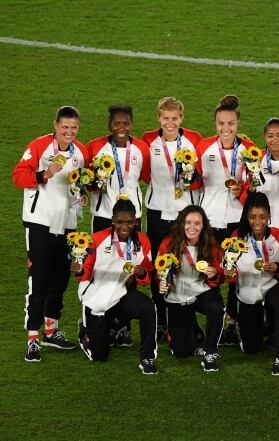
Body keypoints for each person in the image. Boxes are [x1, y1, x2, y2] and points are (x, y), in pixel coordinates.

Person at [13, 105, 90, 361]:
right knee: (39, 281)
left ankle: (51, 329)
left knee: (59, 279)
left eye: (74, 128)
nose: (69, 132)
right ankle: (33, 337)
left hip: (68, 226)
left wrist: (83, 196)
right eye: (65, 127)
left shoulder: (81, 153)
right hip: (39, 223)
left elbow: (81, 183)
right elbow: (18, 176)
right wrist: (43, 174)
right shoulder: (38, 147)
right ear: (55, 125)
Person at [196, 95, 256, 346]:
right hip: (209, 219)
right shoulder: (202, 147)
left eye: (230, 124)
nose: (226, 129)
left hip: (236, 220)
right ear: (215, 124)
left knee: (235, 271)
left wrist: (242, 190)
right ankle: (210, 320)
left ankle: (232, 322)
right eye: (221, 124)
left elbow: (255, 187)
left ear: (238, 123)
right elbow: (194, 181)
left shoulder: (250, 150)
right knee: (208, 269)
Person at [72, 200, 158, 374]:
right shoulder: (97, 239)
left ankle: (148, 356)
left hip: (121, 293)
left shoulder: (142, 240)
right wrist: (80, 270)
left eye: (129, 222)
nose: (124, 226)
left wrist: (141, 274)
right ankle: (85, 332)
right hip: (97, 297)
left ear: (135, 221)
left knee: (148, 308)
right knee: (99, 356)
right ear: (112, 220)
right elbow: (85, 272)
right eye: (119, 222)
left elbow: (146, 275)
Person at [142, 97, 203, 340]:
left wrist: (191, 179)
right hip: (157, 212)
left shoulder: (194, 140)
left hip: (186, 214)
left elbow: (201, 177)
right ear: (159, 118)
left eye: (174, 118)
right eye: (165, 118)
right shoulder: (148, 140)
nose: (170, 122)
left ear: (181, 118)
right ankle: (160, 320)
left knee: (187, 264)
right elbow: (145, 173)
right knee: (161, 264)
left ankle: (190, 320)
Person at [224, 193, 279, 375]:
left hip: (272, 288)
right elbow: (229, 274)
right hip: (247, 294)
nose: (258, 222)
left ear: (269, 215)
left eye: (262, 217)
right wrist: (229, 274)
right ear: (247, 216)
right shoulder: (236, 237)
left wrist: (278, 267)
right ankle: (258, 326)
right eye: (253, 217)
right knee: (250, 348)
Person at [158, 205, 225, 372]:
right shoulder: (168, 244)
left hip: (201, 292)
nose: (192, 227)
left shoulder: (211, 246)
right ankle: (193, 328)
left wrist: (214, 274)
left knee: (216, 308)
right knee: (181, 351)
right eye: (187, 222)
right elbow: (159, 272)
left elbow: (220, 275)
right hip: (177, 296)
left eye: (197, 223)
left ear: (203, 226)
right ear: (181, 223)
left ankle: (210, 351)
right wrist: (162, 281)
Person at [86, 105, 150, 233]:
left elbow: (146, 176)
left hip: (132, 215)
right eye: (116, 123)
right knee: (100, 252)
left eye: (126, 123)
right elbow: (87, 181)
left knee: (132, 252)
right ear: (109, 124)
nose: (121, 128)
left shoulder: (142, 148)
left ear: (131, 124)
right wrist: (96, 183)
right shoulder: (94, 147)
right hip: (103, 214)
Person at [244, 117, 279, 246]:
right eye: (270, 136)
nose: (275, 140)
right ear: (265, 136)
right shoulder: (255, 159)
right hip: (261, 223)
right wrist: (252, 188)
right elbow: (245, 196)